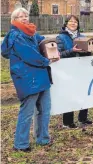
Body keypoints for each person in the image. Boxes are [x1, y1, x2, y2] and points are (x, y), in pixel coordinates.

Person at [1, 8, 59, 152]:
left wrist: (56, 48)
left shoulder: (31, 32)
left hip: (41, 76)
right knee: (27, 112)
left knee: (44, 110)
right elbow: (29, 55)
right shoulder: (15, 36)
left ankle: (43, 139)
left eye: (26, 15)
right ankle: (21, 144)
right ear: (14, 20)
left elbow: (44, 42)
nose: (24, 18)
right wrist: (47, 60)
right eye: (20, 16)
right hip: (28, 78)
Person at [56, 15, 92, 128]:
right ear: (66, 23)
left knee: (84, 93)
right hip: (67, 71)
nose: (73, 23)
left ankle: (83, 118)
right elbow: (58, 55)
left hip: (81, 70)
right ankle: (68, 122)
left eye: (75, 22)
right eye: (71, 21)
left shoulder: (83, 36)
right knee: (69, 95)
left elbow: (89, 54)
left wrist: (88, 51)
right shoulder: (60, 38)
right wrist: (72, 50)